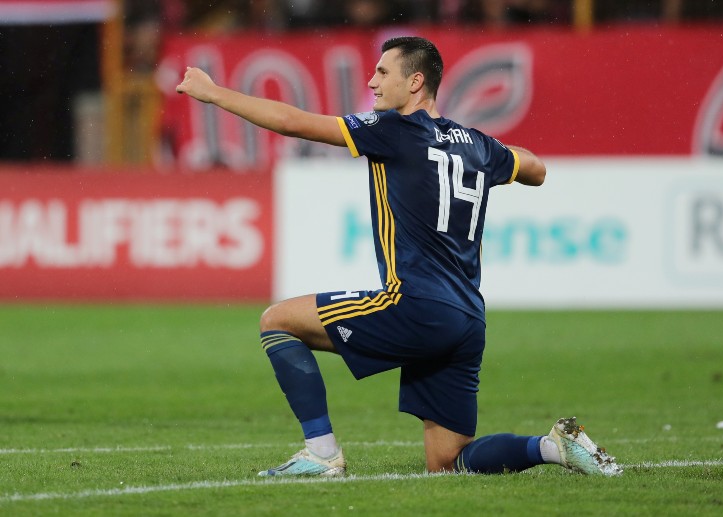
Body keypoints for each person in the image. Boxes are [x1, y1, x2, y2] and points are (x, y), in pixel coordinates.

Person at [176, 36, 622, 477]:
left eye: (383, 72)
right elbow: (536, 170)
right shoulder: (477, 144)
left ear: (415, 82)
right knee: (447, 462)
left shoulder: (392, 129)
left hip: (417, 305)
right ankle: (552, 446)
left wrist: (214, 94)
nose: (372, 82)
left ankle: (321, 453)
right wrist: (494, 153)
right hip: (468, 319)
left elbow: (293, 122)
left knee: (277, 321)